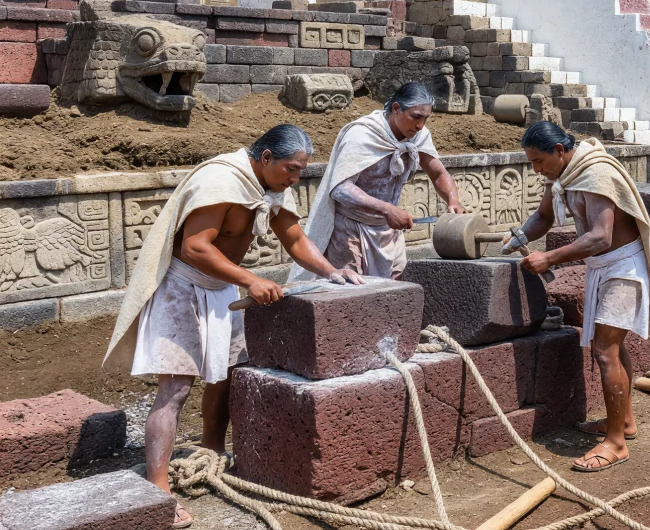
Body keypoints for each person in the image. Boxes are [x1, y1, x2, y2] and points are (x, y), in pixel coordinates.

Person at [103, 125, 360, 528]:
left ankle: (212, 453)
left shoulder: (272, 185)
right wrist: (249, 279)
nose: (295, 179)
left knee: (226, 377)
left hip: (222, 287)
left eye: (299, 171)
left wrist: (331, 272)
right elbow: (194, 247)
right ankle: (158, 489)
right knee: (174, 389)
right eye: (291, 169)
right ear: (266, 158)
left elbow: (292, 236)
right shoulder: (220, 179)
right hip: (182, 286)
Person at [508, 122, 650, 473]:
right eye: (531, 163)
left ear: (559, 151)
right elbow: (543, 216)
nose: (537, 169)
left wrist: (549, 257)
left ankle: (615, 444)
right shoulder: (563, 177)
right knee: (613, 347)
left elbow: (600, 236)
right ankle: (624, 423)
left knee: (605, 350)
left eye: (539, 161)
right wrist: (518, 235)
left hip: (623, 268)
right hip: (603, 268)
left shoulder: (594, 173)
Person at [293, 82, 465, 282]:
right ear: (396, 109)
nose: (420, 125)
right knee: (352, 292)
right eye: (416, 117)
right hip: (351, 231)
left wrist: (453, 200)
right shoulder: (362, 134)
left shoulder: (419, 136)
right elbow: (340, 188)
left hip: (388, 230)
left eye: (425, 119)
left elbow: (438, 174)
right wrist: (388, 210)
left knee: (395, 289)